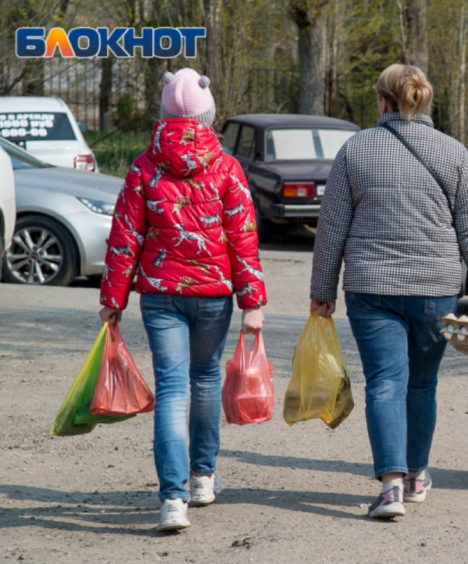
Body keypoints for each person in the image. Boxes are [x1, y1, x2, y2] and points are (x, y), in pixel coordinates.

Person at [310, 63, 468, 519]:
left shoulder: (355, 148)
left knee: (384, 383)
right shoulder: (454, 152)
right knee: (421, 385)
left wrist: (323, 290)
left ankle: (391, 487)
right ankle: (417, 475)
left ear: (382, 101)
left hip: (371, 287)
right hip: (435, 289)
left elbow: (332, 228)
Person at [98, 68, 267, 531]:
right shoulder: (227, 167)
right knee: (206, 379)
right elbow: (243, 237)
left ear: (164, 112)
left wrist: (113, 297)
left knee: (173, 387)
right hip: (213, 294)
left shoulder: (143, 167)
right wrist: (253, 302)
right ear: (210, 113)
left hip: (160, 294)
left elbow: (125, 237)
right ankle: (202, 478)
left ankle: (172, 499)